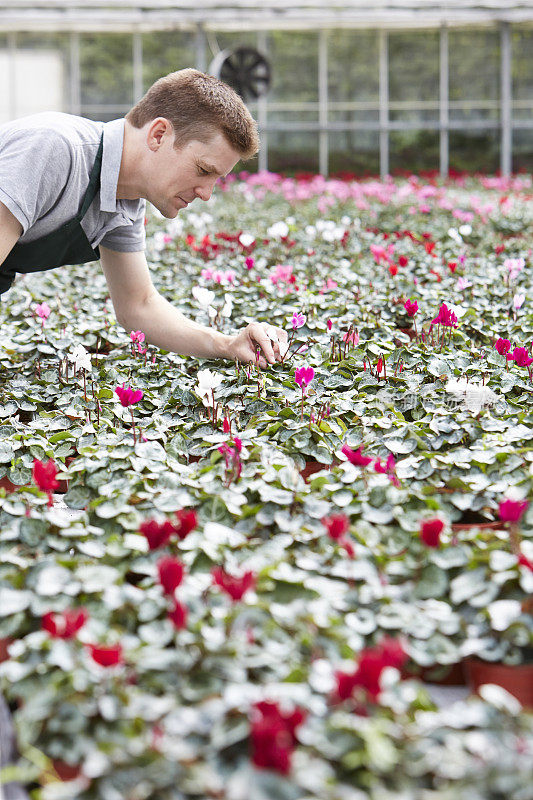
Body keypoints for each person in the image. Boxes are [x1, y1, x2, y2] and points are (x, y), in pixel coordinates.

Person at [0, 68, 287, 368]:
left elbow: (138, 306)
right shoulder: (55, 150)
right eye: (204, 170)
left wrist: (227, 344)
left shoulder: (124, 201)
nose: (206, 193)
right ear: (158, 134)